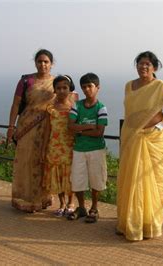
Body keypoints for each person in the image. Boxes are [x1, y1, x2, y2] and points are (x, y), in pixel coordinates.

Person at [116, 51, 163, 241]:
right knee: (130, 181)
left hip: (156, 140)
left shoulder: (160, 87)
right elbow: (130, 112)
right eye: (140, 64)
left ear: (154, 68)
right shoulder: (129, 86)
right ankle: (129, 223)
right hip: (132, 137)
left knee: (154, 183)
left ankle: (149, 225)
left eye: (147, 64)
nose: (143, 67)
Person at [6, 49, 56, 212]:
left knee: (42, 162)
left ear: (52, 64)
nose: (43, 64)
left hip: (47, 128)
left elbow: (67, 102)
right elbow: (15, 105)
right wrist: (11, 126)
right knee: (25, 161)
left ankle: (41, 198)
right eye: (40, 61)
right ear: (35, 63)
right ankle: (24, 199)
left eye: (46, 62)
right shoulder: (26, 81)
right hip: (27, 127)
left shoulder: (57, 82)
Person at [67, 73, 108, 223]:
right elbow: (70, 127)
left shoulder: (101, 108)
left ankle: (95, 208)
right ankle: (82, 207)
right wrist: (89, 126)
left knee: (96, 179)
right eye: (84, 87)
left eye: (90, 86)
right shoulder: (76, 105)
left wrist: (80, 129)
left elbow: (99, 132)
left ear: (97, 87)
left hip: (96, 149)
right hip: (79, 149)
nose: (86, 90)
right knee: (78, 180)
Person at [41, 75, 76, 217]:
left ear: (69, 89)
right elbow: (47, 129)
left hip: (70, 147)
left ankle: (71, 203)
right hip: (54, 147)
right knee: (58, 176)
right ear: (54, 90)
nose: (62, 91)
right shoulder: (50, 108)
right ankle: (62, 203)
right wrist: (44, 148)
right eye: (59, 88)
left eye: (65, 88)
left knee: (70, 176)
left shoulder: (74, 107)